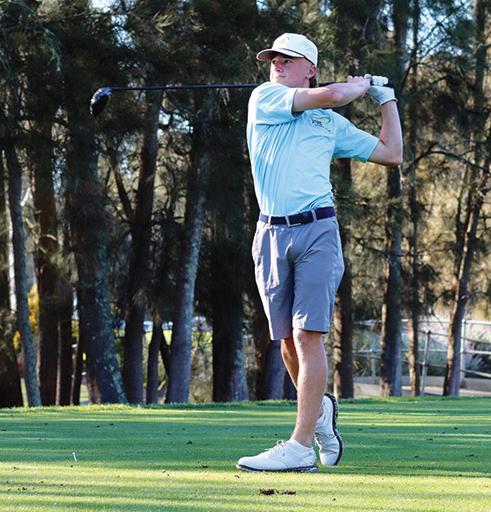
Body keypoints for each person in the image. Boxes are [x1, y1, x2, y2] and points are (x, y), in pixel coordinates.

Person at [236, 33, 402, 473]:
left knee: (307, 335)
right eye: (273, 58)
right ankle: (321, 412)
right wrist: (360, 86)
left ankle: (300, 446)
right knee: (286, 342)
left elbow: (391, 153)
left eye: (287, 60)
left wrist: (386, 100)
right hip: (270, 234)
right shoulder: (265, 98)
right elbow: (331, 94)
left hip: (318, 231)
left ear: (309, 68)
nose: (276, 64)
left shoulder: (329, 123)